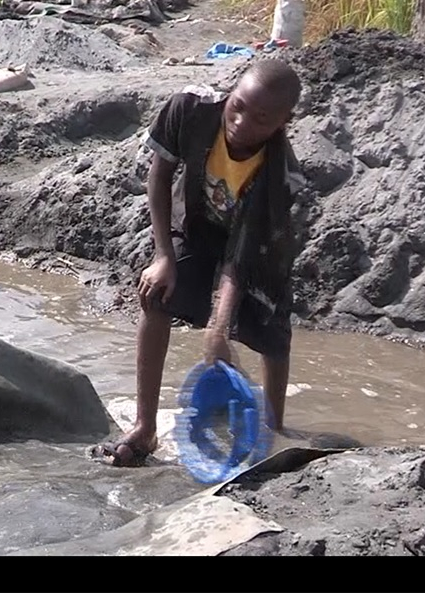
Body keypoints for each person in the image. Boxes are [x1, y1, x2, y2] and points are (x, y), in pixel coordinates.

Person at [96, 58, 305, 467]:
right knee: (156, 295)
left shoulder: (280, 176)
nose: (241, 123)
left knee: (272, 327)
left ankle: (273, 428)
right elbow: (159, 176)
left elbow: (240, 257)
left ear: (283, 123)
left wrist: (218, 328)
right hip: (195, 223)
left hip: (259, 244)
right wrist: (163, 256)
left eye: (261, 119)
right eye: (238, 107)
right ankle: (144, 426)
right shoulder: (190, 110)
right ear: (231, 93)